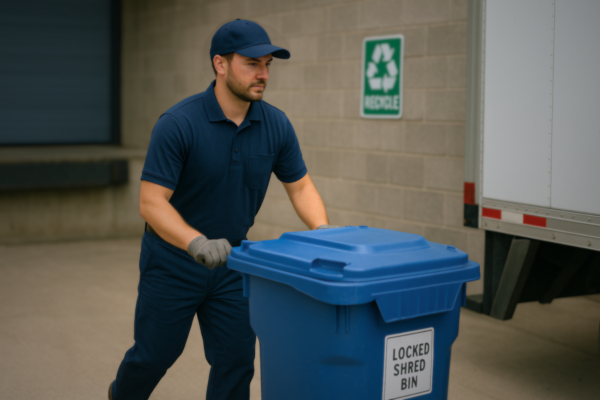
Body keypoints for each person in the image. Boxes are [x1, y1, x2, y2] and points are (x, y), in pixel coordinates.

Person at [108, 19, 336, 400]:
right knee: (153, 356)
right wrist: (194, 241)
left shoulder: (275, 124)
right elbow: (151, 203)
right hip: (173, 260)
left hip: (233, 261)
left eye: (268, 65)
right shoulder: (179, 124)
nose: (263, 74)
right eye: (252, 64)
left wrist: (324, 232)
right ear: (220, 64)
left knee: (236, 360)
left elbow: (300, 186)